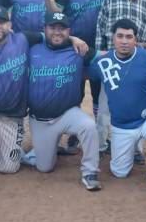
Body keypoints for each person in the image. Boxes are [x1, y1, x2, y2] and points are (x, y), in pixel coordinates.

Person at [0, 5, 87, 191]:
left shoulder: (23, 39)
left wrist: (74, 38)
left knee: (8, 168)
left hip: (12, 115)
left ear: (10, 25)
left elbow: (54, 35)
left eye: (2, 22)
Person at [49, 0, 118, 154]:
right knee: (75, 95)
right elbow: (56, 12)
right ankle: (74, 132)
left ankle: (100, 134)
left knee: (99, 94)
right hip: (74, 48)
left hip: (100, 47)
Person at [21, 12, 101, 191]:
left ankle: (90, 172)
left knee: (89, 126)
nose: (57, 32)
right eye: (53, 28)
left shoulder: (78, 50)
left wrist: (134, 50)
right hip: (40, 120)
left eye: (62, 29)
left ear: (69, 31)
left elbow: (104, 56)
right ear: (44, 29)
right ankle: (49, 147)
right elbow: (14, 37)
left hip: (67, 114)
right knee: (44, 168)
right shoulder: (32, 48)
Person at [89, 19, 146, 191]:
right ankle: (132, 147)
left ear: (136, 40)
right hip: (122, 125)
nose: (124, 41)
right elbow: (87, 75)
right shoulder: (102, 63)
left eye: (129, 37)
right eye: (120, 36)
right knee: (119, 173)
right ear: (113, 38)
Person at [94, 0, 146, 154]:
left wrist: (144, 47)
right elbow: (100, 32)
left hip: (136, 66)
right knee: (105, 109)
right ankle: (100, 145)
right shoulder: (109, 1)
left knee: (136, 108)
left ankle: (135, 149)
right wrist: (101, 61)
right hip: (112, 64)